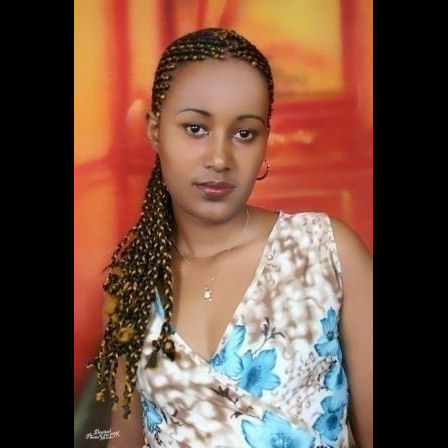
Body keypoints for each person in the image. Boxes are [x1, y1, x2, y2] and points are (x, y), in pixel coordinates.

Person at [88, 28, 372, 448]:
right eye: (195, 128)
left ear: (265, 140)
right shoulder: (134, 284)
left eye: (244, 133)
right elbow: (121, 436)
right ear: (155, 130)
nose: (220, 159)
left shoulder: (327, 252)